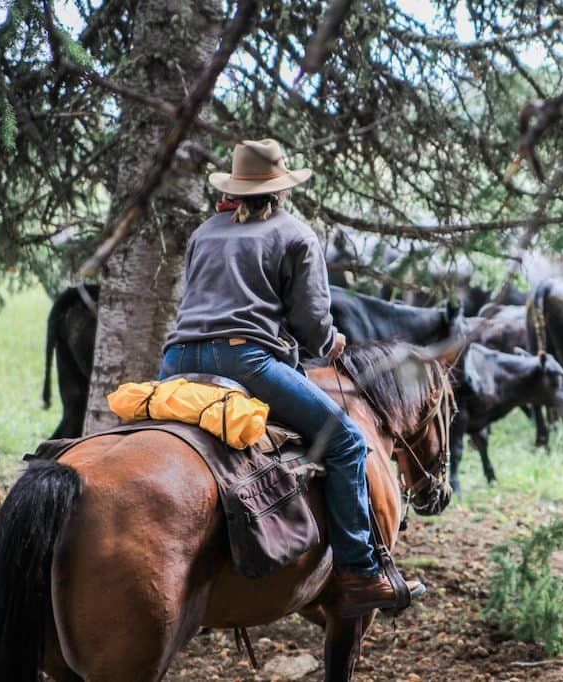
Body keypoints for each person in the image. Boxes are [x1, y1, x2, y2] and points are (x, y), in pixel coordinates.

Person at [159, 139, 424, 617]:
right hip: (246, 363)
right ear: (281, 190)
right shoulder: (294, 234)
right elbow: (312, 325)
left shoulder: (204, 232)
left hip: (177, 361)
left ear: (235, 190)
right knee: (345, 441)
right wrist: (330, 345)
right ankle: (361, 573)